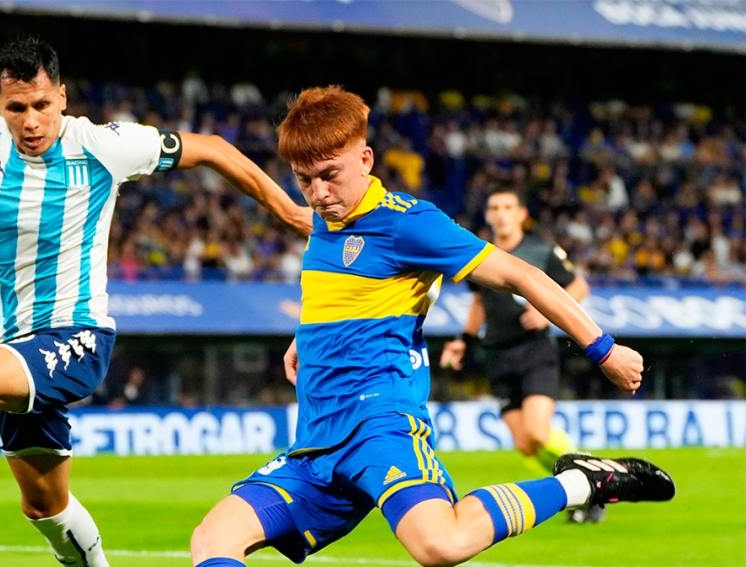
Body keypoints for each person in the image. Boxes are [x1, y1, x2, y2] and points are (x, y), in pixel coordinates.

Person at [0, 37, 311, 567]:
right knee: (45, 507)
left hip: (77, 336)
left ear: (62, 97)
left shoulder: (103, 145)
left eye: (42, 105)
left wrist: (288, 211)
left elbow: (211, 147)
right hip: (9, 347)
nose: (31, 121)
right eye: (16, 108)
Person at [189, 87, 674, 567]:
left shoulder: (409, 224)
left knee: (440, 545)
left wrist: (603, 349)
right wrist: (309, 334)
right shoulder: (325, 219)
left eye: (329, 176)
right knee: (213, 539)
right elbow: (306, 237)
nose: (318, 194)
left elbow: (521, 276)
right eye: (304, 180)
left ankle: (581, 483)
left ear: (366, 159)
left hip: (379, 425)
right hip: (314, 440)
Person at [439, 186, 602, 523]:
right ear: (488, 215)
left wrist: (546, 312)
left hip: (534, 351)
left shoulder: (541, 250)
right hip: (497, 355)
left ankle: (596, 476)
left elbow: (579, 286)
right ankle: (580, 490)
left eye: (507, 207)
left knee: (538, 432)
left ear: (521, 214)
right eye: (494, 207)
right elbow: (479, 302)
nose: (501, 213)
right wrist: (465, 340)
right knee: (525, 444)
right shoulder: (478, 254)